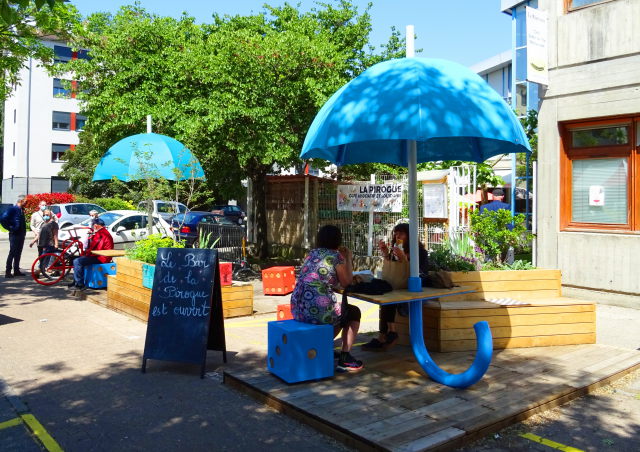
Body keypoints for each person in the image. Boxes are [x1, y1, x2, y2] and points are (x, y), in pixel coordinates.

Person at [290, 225, 363, 372]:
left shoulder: (312, 253)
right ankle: (345, 357)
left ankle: (321, 346)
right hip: (316, 309)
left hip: (298, 307)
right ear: (338, 240)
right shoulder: (336, 257)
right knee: (353, 312)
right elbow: (347, 282)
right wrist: (348, 257)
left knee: (339, 313)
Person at [362, 223, 428, 352]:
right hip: (398, 285)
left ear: (410, 236)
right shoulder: (396, 249)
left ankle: (386, 335)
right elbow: (393, 267)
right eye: (396, 233)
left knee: (389, 298)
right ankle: (388, 333)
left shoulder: (420, 252)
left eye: (401, 233)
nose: (398, 236)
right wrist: (386, 253)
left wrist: (405, 259)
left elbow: (422, 273)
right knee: (385, 297)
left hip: (414, 286)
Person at [68, 218, 114, 290]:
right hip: (101, 256)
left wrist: (87, 253)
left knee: (77, 261)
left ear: (95, 226)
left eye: (92, 226)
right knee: (78, 260)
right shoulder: (103, 232)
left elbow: (96, 248)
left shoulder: (101, 234)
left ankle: (79, 284)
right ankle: (76, 281)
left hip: (101, 258)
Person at [2, 196, 27, 277]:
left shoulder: (21, 210)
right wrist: (10, 228)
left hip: (21, 234)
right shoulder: (13, 209)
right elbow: (3, 218)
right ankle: (8, 272)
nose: (26, 203)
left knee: (18, 253)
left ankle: (16, 270)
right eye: (25, 201)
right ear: (21, 201)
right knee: (12, 252)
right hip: (15, 234)